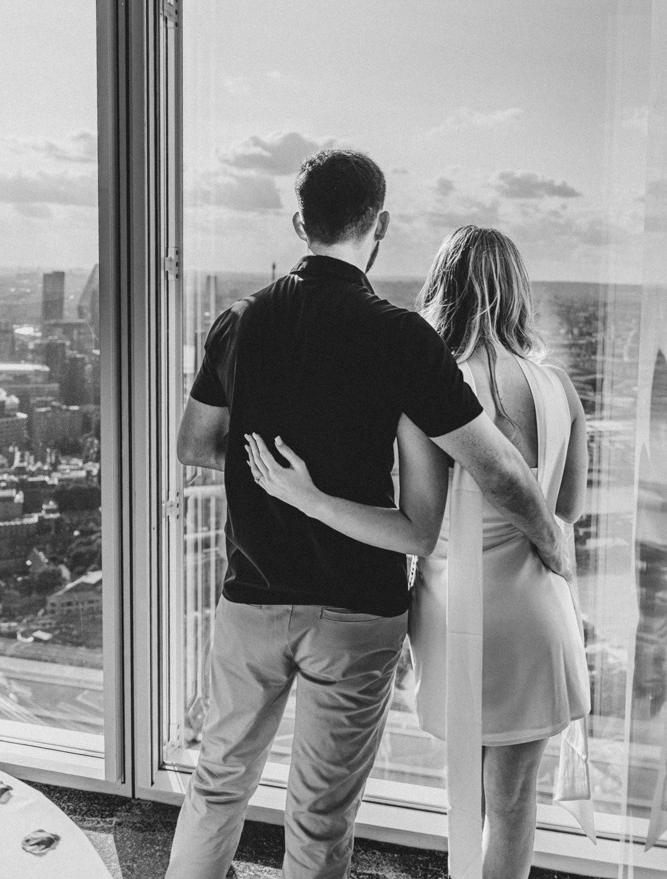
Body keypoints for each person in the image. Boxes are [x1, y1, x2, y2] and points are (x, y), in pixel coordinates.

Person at [167, 152, 570, 879]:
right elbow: (498, 470)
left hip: (251, 596)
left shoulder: (240, 321)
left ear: (300, 224)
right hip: (355, 607)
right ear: (379, 225)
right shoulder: (401, 337)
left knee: (218, 780)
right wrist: (550, 542)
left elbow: (194, 444)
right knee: (320, 811)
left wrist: (272, 464)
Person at [246, 225, 589, 879]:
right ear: (517, 292)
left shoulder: (433, 387)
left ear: (441, 289)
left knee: (466, 793)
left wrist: (310, 497)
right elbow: (566, 510)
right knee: (514, 800)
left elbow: (416, 526)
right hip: (538, 611)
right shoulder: (559, 388)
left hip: (457, 614)